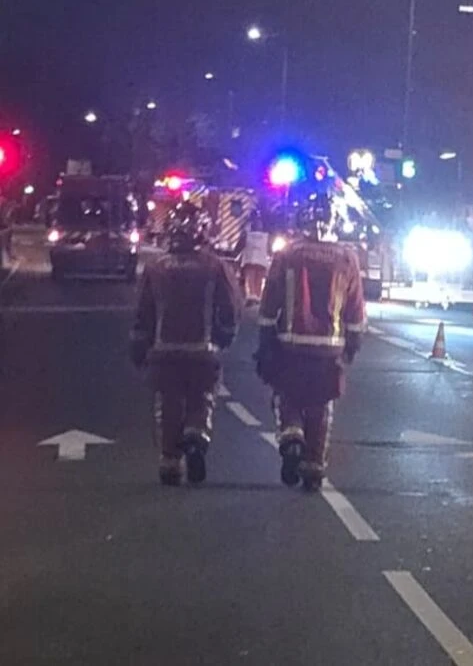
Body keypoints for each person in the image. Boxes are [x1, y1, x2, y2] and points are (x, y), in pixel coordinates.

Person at [256, 197, 366, 492]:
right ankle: (313, 468)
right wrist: (352, 344)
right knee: (321, 405)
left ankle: (292, 436)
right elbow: (355, 309)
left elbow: (270, 300)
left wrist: (265, 337)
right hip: (329, 348)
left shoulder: (288, 254)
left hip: (290, 345)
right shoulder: (347, 257)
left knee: (288, 397)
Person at [130, 202, 242, 486]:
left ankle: (170, 463)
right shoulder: (216, 266)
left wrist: (139, 345)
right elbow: (230, 306)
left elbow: (144, 311)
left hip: (163, 351)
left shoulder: (156, 267)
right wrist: (225, 335)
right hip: (203, 350)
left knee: (167, 403)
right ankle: (196, 435)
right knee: (202, 397)